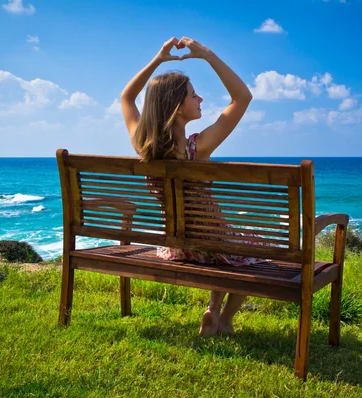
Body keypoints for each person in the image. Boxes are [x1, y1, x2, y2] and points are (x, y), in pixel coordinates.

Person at [120, 36, 265, 337]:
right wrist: (207, 54)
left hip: (178, 248)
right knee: (258, 243)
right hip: (215, 247)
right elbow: (242, 98)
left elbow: (127, 98)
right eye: (193, 96)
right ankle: (222, 317)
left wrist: (158, 60)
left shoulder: (144, 148)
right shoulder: (197, 149)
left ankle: (214, 313)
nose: (200, 100)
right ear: (177, 107)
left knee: (227, 242)